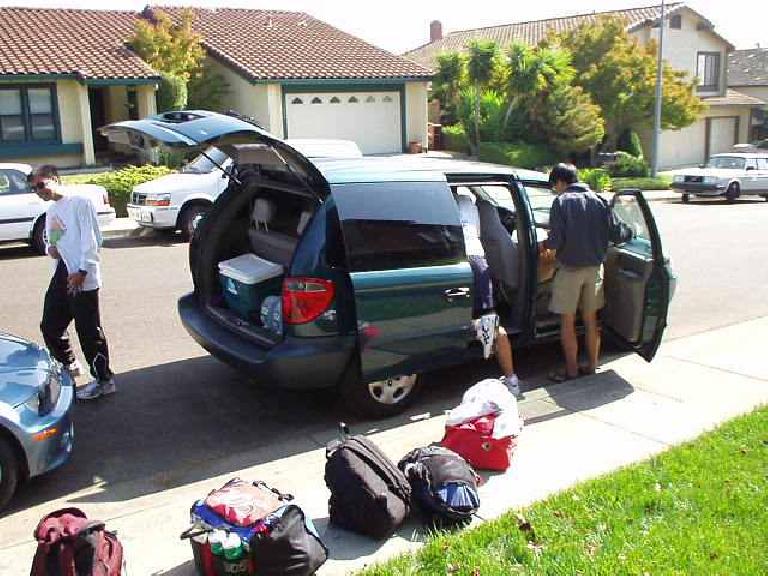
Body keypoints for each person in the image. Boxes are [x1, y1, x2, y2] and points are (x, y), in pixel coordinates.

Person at [32, 165, 115, 400]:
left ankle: (104, 379)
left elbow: (92, 239)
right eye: (35, 188)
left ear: (55, 180)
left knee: (88, 330)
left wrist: (82, 270)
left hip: (82, 274)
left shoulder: (79, 202)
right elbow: (55, 238)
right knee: (50, 324)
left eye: (42, 185)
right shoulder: (52, 211)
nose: (39, 191)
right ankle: (68, 365)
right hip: (62, 272)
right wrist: (52, 247)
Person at [543, 163, 633, 382]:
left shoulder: (561, 202)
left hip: (569, 270)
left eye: (554, 186)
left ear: (561, 182)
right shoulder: (600, 200)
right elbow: (619, 232)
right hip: (595, 269)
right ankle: (592, 366)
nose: (555, 190)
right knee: (592, 320)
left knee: (567, 321)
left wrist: (545, 244)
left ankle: (572, 370)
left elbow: (555, 241)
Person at [455, 189, 521, 397]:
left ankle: (503, 373)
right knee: (489, 321)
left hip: (459, 259)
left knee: (484, 322)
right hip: (477, 260)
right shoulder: (468, 201)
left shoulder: (436, 201)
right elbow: (479, 233)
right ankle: (511, 379)